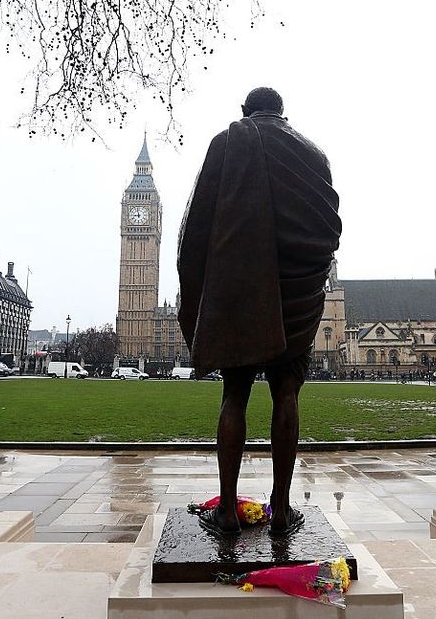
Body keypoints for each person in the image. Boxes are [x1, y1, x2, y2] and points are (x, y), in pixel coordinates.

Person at [177, 87, 341, 536]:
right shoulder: (315, 155)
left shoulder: (229, 141)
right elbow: (328, 229)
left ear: (245, 112)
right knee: (287, 394)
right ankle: (283, 509)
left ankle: (227, 509)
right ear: (283, 113)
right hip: (298, 298)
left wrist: (201, 288)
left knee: (235, 395)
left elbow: (198, 225)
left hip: (244, 295)